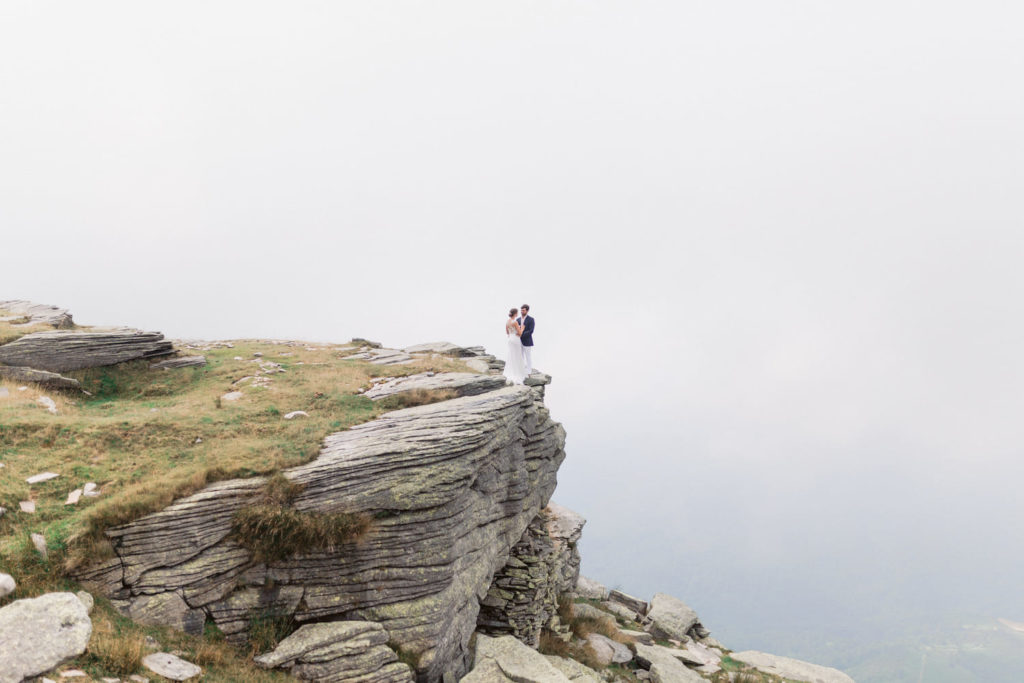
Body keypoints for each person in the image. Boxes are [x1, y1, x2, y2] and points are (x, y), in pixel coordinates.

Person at [503, 308, 527, 384]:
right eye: (517, 313)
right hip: (516, 339)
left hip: (510, 339)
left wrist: (513, 332)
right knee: (517, 355)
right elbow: (520, 333)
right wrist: (522, 328)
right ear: (515, 314)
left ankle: (510, 371)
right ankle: (518, 372)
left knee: (511, 355)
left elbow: (507, 332)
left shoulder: (507, 322)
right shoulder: (515, 322)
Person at [518, 304, 535, 376]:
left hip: (527, 341)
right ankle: (521, 370)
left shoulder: (531, 319)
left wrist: (522, 334)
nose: (522, 311)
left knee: (528, 356)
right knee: (520, 356)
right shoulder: (518, 319)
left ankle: (529, 371)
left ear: (527, 311)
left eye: (523, 310)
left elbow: (531, 331)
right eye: (521, 310)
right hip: (519, 341)